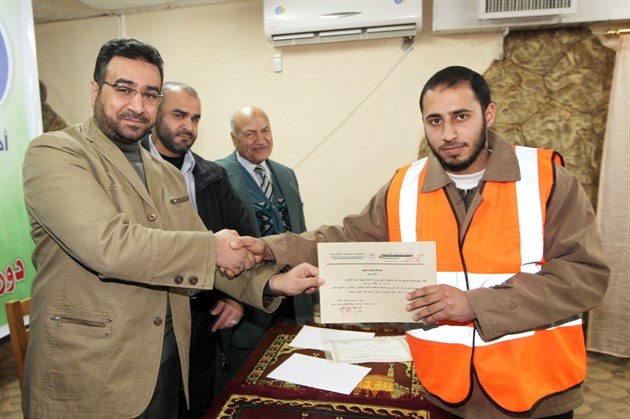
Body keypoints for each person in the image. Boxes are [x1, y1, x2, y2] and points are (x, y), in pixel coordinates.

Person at [237, 66, 610, 418]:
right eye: (435, 120)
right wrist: (273, 247)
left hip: (535, 390)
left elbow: (584, 276)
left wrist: (475, 304)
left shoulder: (548, 180)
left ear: (489, 114)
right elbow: (347, 238)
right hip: (445, 391)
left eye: (461, 116)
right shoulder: (404, 186)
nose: (448, 133)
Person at [21, 37, 322, 419]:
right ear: (95, 90)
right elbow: (108, 246)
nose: (137, 105)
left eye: (150, 94)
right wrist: (212, 247)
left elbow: (202, 254)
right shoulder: (56, 153)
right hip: (91, 375)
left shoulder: (165, 172)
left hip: (165, 364)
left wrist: (273, 282)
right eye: (124, 89)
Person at [141, 81, 256, 418]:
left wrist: (236, 297)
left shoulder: (213, 175)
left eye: (195, 118)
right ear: (156, 113)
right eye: (179, 115)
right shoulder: (130, 171)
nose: (189, 126)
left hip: (203, 320)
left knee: (201, 407)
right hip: (150, 322)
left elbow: (245, 240)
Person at [215, 106, 316, 382]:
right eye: (250, 134)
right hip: (251, 296)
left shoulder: (286, 174)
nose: (261, 140)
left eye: (266, 131)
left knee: (295, 371)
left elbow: (300, 230)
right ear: (233, 138)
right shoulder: (217, 175)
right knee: (251, 377)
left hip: (293, 295)